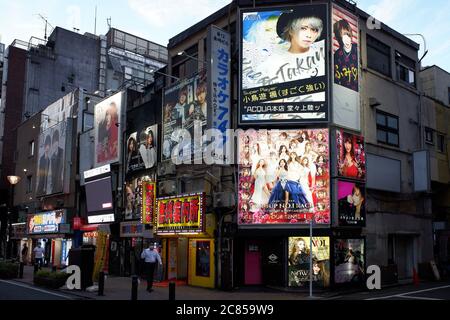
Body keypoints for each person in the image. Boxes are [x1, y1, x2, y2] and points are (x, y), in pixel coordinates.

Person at [333, 18, 358, 91]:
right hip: (343, 93)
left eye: (348, 35)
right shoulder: (337, 55)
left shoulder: (357, 49)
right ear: (339, 37)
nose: (347, 38)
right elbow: (336, 79)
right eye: (344, 35)